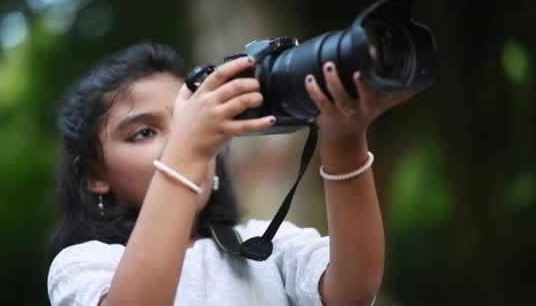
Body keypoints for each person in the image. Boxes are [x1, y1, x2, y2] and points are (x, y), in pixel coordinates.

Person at [47, 42, 419, 306]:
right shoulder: (85, 265)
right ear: (95, 174)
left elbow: (354, 291)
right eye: (144, 133)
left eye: (186, 121)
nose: (181, 138)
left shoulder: (264, 244)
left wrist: (344, 139)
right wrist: (184, 155)